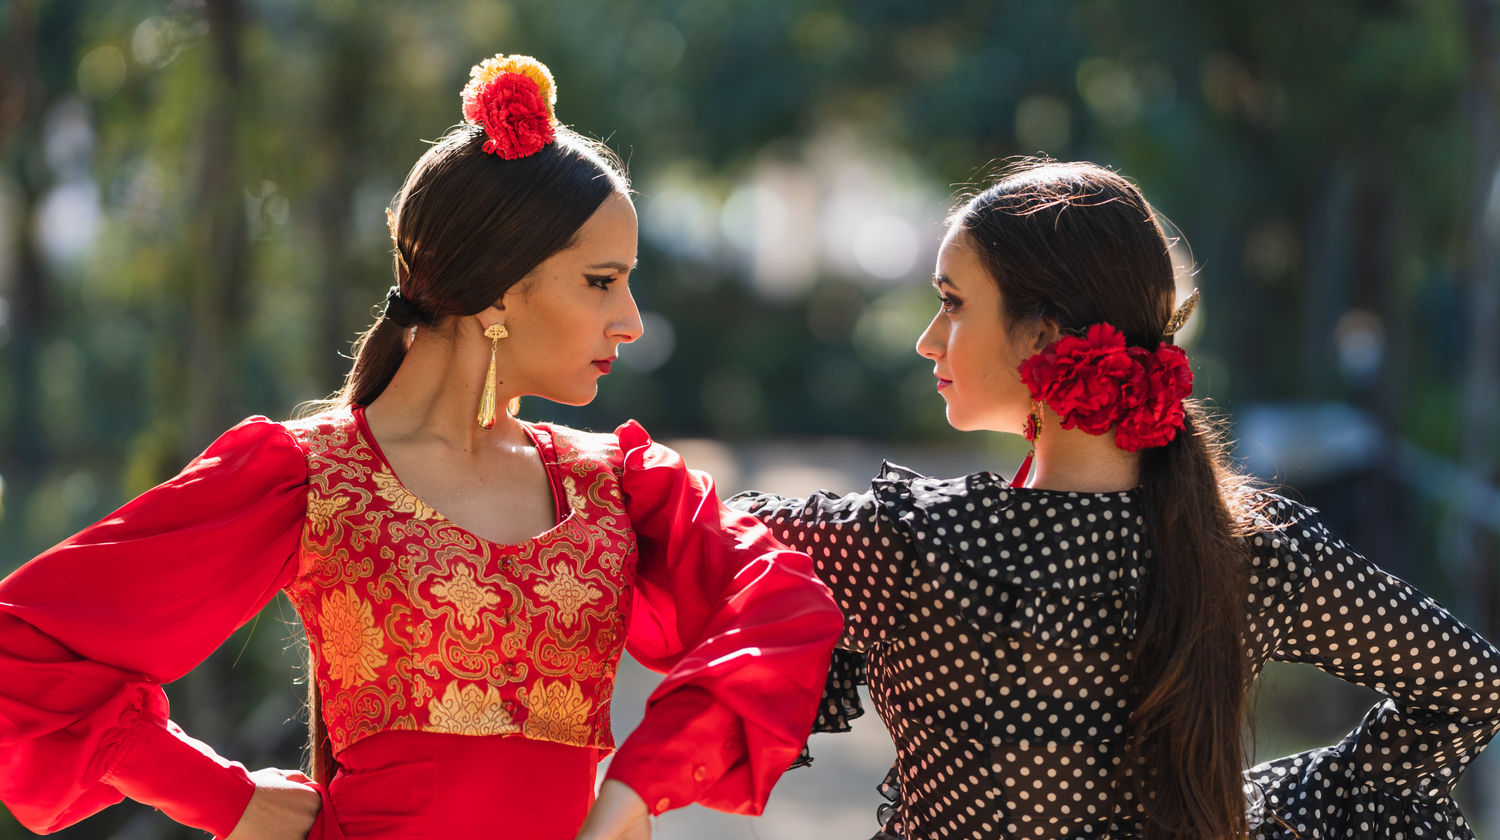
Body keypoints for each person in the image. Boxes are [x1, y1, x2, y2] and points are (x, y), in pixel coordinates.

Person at [0, 54, 843, 840]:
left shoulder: (619, 485)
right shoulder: (306, 476)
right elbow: (22, 646)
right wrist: (220, 795)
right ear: (501, 288)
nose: (629, 319)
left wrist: (633, 787)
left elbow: (780, 608)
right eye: (602, 281)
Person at [728, 159, 1500, 840]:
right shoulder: (1248, 551)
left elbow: (698, 524)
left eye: (953, 303)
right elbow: (1471, 684)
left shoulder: (911, 546)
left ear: (1043, 335)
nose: (930, 338)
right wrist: (1262, 807)